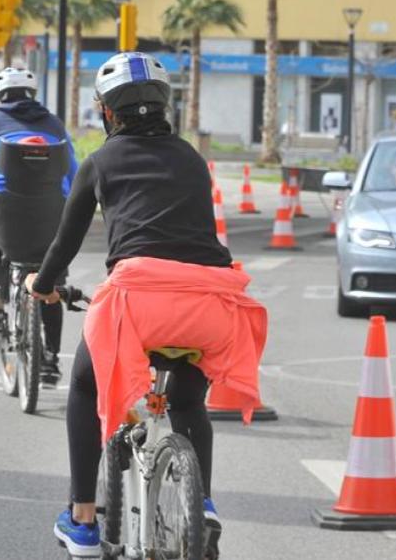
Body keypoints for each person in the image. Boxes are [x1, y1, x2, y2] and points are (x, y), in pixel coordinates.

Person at [25, 52, 267, 558]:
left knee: (84, 386)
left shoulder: (99, 163)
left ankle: (83, 521)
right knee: (186, 401)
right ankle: (200, 504)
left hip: (139, 304)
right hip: (212, 305)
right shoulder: (192, 159)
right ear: (164, 105)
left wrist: (41, 284)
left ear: (106, 112)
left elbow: (63, 245)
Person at [0, 66, 77, 382]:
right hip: (52, 208)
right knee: (51, 284)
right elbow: (73, 171)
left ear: (0, 95)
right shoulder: (54, 123)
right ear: (33, 94)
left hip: (1, 201)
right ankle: (49, 361)